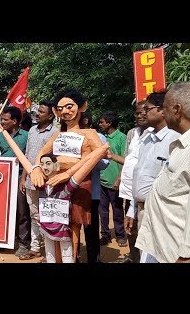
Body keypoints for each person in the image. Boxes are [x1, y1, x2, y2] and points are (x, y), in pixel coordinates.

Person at [136, 82, 190, 263]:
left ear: (177, 110)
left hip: (180, 255)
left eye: (164, 108)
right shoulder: (187, 142)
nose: (163, 112)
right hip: (165, 248)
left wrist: (187, 257)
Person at [30, 89, 104, 262]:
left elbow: (92, 158)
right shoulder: (57, 135)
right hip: (55, 186)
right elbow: (42, 153)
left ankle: (72, 258)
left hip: (78, 186)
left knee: (74, 227)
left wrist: (69, 174)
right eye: (60, 108)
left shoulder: (90, 134)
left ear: (81, 107)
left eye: (69, 106)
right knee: (56, 224)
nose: (65, 111)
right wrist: (37, 169)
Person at [38, 143, 109, 263]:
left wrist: (101, 150)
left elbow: (84, 167)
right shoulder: (41, 185)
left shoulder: (66, 187)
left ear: (56, 166)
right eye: (42, 164)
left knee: (67, 255)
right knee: (50, 255)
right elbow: (26, 163)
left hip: (62, 228)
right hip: (46, 227)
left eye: (48, 163)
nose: (44, 167)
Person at [0, 106, 29, 256]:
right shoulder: (1, 136)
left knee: (22, 212)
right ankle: (0, 241)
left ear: (15, 121)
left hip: (20, 177)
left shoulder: (26, 136)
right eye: (1, 119)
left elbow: (29, 156)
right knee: (2, 211)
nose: (2, 122)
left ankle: (23, 244)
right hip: (4, 179)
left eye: (5, 119)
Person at [108, 100, 150, 263]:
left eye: (144, 112)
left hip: (149, 193)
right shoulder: (133, 133)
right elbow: (128, 160)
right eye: (137, 113)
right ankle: (133, 257)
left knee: (147, 230)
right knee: (131, 227)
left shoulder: (161, 134)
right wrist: (119, 176)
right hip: (132, 191)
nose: (140, 115)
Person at [18, 101, 57, 260]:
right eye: (37, 111)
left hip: (47, 182)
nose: (37, 114)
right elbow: (27, 156)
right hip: (29, 182)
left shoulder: (55, 132)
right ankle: (35, 248)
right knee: (34, 215)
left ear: (50, 115)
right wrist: (23, 178)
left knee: (48, 215)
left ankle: (51, 251)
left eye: (41, 112)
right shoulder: (32, 131)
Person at [79, 111, 109, 263]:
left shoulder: (100, 138)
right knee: (71, 227)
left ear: (84, 120)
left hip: (91, 192)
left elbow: (105, 163)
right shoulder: (66, 137)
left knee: (91, 227)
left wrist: (89, 159)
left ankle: (93, 259)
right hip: (70, 192)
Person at [97, 111, 127, 247]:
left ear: (109, 123)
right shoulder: (101, 138)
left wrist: (118, 179)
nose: (100, 124)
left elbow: (125, 160)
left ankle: (120, 235)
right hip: (101, 181)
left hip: (115, 181)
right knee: (102, 211)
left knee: (117, 210)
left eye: (102, 122)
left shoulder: (122, 138)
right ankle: (105, 235)